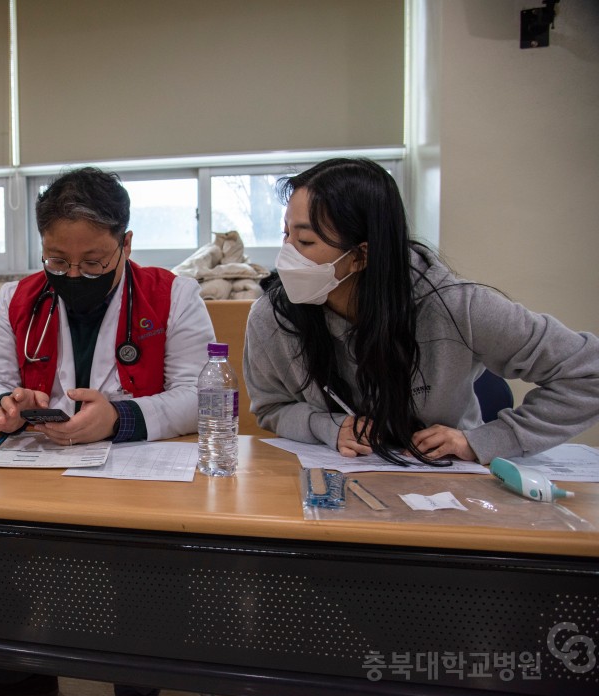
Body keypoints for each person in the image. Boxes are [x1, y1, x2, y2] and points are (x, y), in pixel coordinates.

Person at [0, 167, 215, 696]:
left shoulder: (173, 295)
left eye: (93, 262)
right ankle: (17, 673)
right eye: (58, 261)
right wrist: (0, 406)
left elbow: (200, 394)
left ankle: (137, 688)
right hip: (40, 464)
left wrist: (118, 417)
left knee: (143, 550)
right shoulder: (18, 298)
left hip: (135, 468)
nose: (74, 275)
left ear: (125, 244)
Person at [244, 157, 599, 465]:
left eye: (305, 241)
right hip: (333, 483)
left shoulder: (457, 306)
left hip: (448, 487)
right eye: (285, 234)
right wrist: (325, 426)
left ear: (361, 255)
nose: (286, 254)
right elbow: (271, 408)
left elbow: (588, 372)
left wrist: (487, 441)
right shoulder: (273, 317)